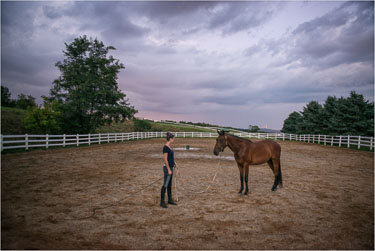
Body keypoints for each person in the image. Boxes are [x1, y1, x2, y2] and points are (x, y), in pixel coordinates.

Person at [160, 132, 177, 208]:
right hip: (167, 168)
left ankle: (169, 199)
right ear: (170, 139)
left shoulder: (169, 147)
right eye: (173, 138)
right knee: (165, 184)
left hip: (171, 167)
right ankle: (162, 201)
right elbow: (165, 160)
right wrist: (168, 169)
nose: (174, 140)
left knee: (169, 184)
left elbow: (171, 158)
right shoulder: (165, 147)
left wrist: (174, 163)